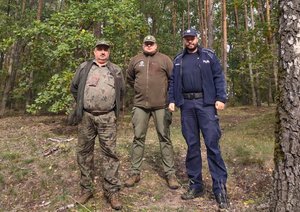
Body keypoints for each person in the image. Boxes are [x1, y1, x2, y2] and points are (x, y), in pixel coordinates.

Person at [168, 29, 229, 209]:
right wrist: (172, 100)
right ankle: (196, 185)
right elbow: (172, 82)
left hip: (206, 104)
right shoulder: (178, 59)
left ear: (197, 39)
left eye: (192, 38)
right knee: (192, 146)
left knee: (212, 144)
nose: (190, 41)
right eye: (186, 39)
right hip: (186, 105)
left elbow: (219, 76)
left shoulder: (208, 56)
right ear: (184, 41)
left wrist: (221, 98)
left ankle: (220, 188)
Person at [70, 39, 125, 210]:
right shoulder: (84, 67)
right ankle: (86, 189)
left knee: (110, 154)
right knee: (84, 153)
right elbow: (74, 88)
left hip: (107, 118)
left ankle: (112, 191)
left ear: (109, 52)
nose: (102, 52)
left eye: (105, 50)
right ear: (94, 51)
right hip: (87, 117)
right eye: (99, 49)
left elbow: (121, 92)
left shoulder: (115, 70)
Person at [124, 35, 180, 189]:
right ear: (143, 45)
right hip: (140, 105)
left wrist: (170, 99)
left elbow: (173, 80)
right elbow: (129, 78)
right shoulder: (135, 60)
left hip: (161, 105)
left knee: (164, 138)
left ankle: (170, 174)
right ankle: (134, 172)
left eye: (151, 44)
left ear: (156, 45)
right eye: (146, 44)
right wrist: (138, 89)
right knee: (138, 138)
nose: (149, 46)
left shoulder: (165, 60)